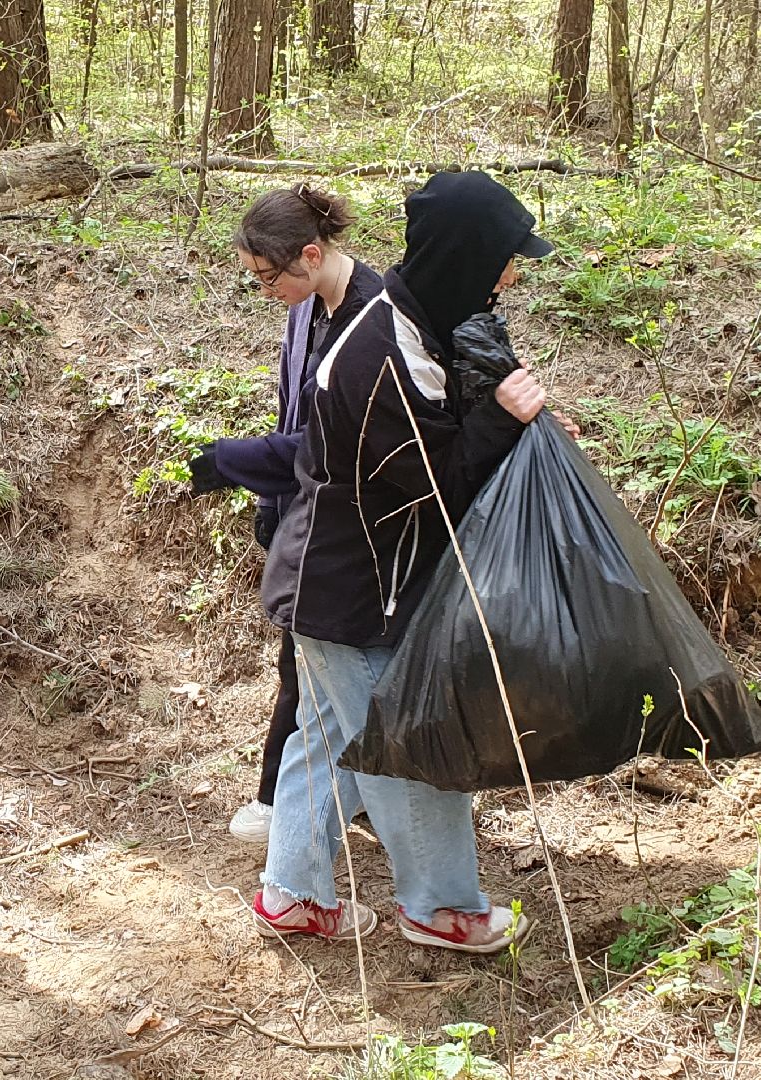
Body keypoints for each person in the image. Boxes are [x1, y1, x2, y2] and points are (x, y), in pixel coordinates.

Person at [252, 171, 562, 953]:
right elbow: (432, 484)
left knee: (325, 737)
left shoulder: (407, 325)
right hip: (351, 592)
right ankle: (442, 909)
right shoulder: (381, 352)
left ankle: (292, 895)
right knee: (406, 744)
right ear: (467, 255)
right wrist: (499, 417)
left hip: (335, 582)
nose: (514, 274)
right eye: (505, 258)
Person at [189, 184, 382, 843]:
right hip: (309, 518)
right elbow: (291, 413)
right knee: (306, 664)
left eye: (268, 278)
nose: (265, 292)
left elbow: (336, 443)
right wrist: (271, 505)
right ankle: (327, 801)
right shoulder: (305, 308)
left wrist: (233, 463)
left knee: (325, 670)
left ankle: (287, 802)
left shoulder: (372, 318)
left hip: (361, 531)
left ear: (310, 254)